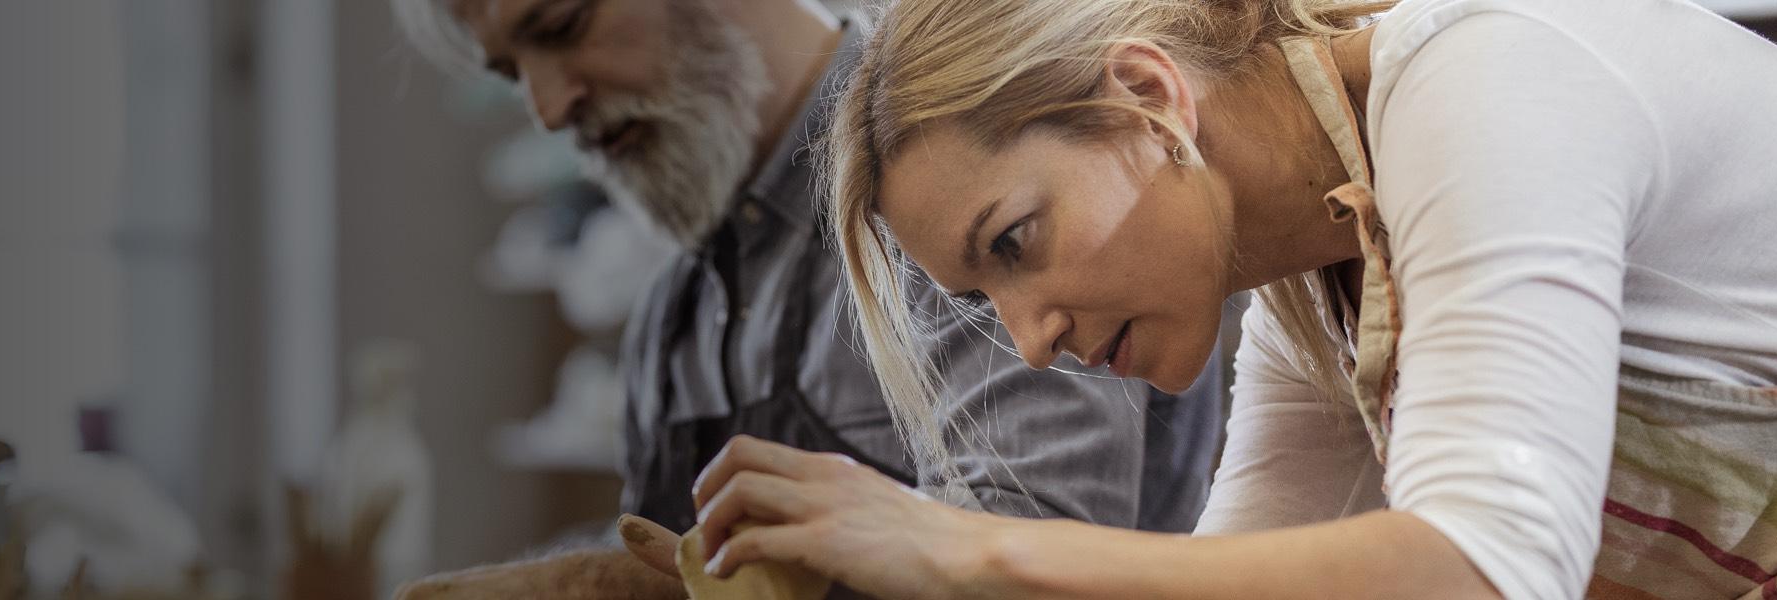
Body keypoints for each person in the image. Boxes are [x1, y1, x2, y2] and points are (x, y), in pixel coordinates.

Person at [686, 0, 1777, 598]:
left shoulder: (1486, 81)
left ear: (1144, 98)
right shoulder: (1313, 292)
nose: (1030, 342)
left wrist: (960, 552)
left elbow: (1479, 573)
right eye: (984, 297)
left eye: (1015, 241)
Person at [386, 0, 1228, 597]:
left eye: (564, 26)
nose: (547, 105)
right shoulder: (673, 320)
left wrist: (611, 589)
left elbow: (1037, 566)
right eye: (511, 70)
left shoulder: (958, 182)